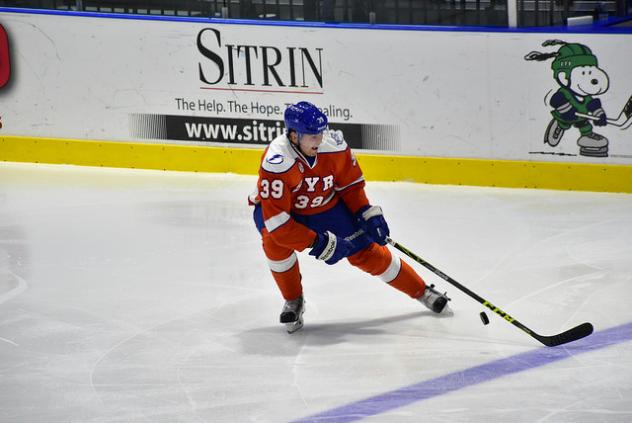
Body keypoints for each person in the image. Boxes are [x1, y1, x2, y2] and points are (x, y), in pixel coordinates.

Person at [249, 101, 451, 333]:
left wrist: (365, 212)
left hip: (327, 207)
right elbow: (278, 223)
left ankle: (421, 290)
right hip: (286, 216)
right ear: (294, 136)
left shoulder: (333, 146)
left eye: (320, 133)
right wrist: (318, 242)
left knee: (367, 253)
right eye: (312, 136)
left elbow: (350, 185)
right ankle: (293, 299)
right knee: (274, 244)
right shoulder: (277, 161)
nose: (319, 139)